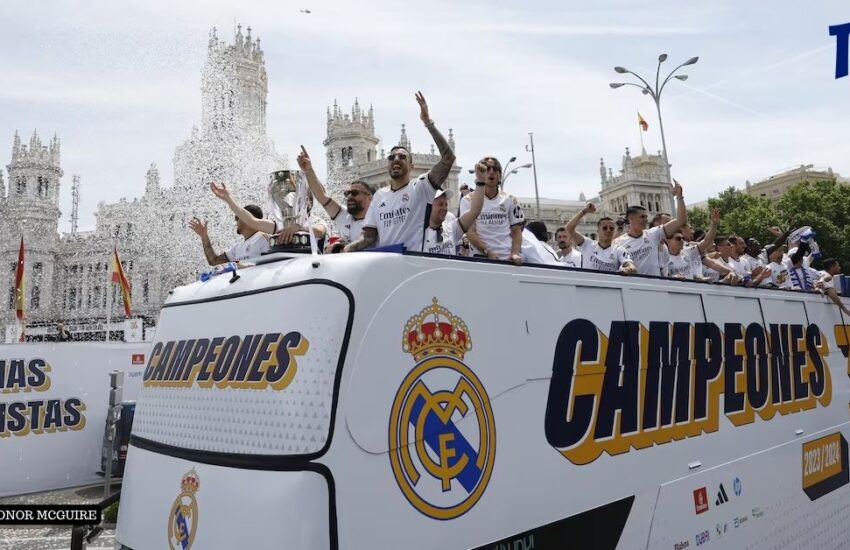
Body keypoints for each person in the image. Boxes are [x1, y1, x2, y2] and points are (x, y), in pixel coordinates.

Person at [345, 91, 455, 252]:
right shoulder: (379, 196)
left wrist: (428, 123)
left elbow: (448, 158)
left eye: (402, 157)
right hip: (386, 265)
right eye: (391, 157)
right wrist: (348, 248)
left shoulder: (421, 187)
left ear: (412, 167)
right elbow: (368, 236)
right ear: (387, 166)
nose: (396, 159)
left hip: (414, 264)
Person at [296, 146, 374, 249]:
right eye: (347, 193)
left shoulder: (378, 217)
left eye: (355, 193)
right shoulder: (344, 216)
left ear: (370, 198)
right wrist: (308, 170)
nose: (350, 196)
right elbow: (322, 197)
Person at [208, 182, 327, 248]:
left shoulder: (316, 220)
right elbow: (252, 221)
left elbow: (320, 231)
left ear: (309, 203)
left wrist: (299, 227)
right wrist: (228, 199)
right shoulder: (281, 225)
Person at [613, 180, 686, 276]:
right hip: (633, 288)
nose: (646, 220)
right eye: (642, 217)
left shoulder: (653, 234)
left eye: (646, 217)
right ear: (631, 218)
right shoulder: (618, 243)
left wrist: (679, 197)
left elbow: (680, 220)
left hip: (654, 286)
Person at [461, 156, 525, 264]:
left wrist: (515, 253)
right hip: (480, 258)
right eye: (487, 168)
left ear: (500, 175)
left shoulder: (510, 200)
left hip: (507, 259)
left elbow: (517, 231)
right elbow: (470, 233)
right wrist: (488, 252)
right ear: (480, 173)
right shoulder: (468, 200)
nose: (491, 172)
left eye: (495, 169)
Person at [423, 166, 485, 255]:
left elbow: (475, 211)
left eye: (446, 204)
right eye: (440, 204)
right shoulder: (419, 233)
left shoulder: (451, 228)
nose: (444, 208)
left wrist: (480, 181)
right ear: (429, 206)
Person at [564, 203, 635, 274]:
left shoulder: (619, 250)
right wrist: (584, 211)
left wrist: (627, 269)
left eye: (611, 228)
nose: (608, 230)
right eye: (604, 228)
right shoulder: (587, 244)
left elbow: (630, 265)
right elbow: (568, 229)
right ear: (598, 230)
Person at [189, 204, 270, 265]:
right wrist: (204, 236)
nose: (236, 222)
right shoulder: (237, 248)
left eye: (237, 217)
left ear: (247, 219)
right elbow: (213, 261)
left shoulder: (263, 237)